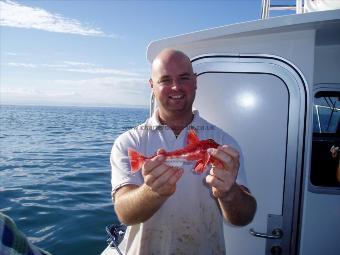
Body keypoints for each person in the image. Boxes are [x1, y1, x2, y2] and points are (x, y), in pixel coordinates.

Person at [110, 49, 257, 254]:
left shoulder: (223, 142)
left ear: (195, 81)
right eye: (165, 80)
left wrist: (229, 192)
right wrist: (152, 192)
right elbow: (124, 214)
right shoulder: (129, 142)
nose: (176, 87)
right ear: (152, 86)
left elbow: (244, 217)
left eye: (184, 78)